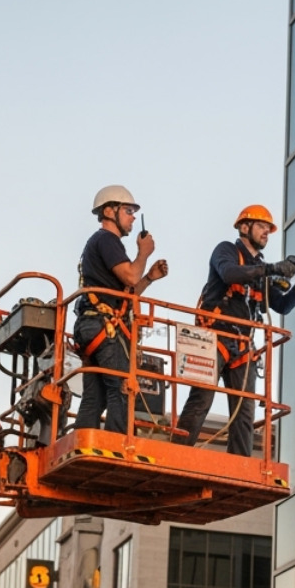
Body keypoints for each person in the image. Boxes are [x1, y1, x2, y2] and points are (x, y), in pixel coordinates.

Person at [175, 204, 295, 457]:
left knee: (245, 411)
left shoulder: (260, 269)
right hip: (213, 336)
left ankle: (240, 463)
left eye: (268, 229)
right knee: (201, 400)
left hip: (242, 345)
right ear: (244, 227)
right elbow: (229, 274)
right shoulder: (227, 251)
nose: (266, 233)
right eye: (261, 226)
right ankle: (177, 454)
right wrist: (272, 269)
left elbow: (282, 305)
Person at [75, 184, 168, 434]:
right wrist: (144, 253)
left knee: (96, 396)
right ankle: (118, 444)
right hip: (103, 327)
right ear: (109, 211)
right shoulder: (107, 239)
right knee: (121, 388)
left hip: (94, 325)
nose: (133, 217)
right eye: (128, 211)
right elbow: (129, 276)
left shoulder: (101, 243)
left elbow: (127, 293)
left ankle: (83, 440)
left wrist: (148, 277)